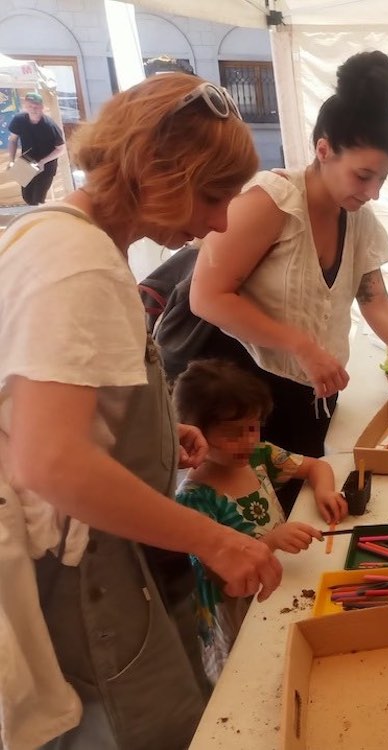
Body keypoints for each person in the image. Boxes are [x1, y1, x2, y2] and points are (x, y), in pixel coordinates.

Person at [0, 74, 282, 750]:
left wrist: (154, 432)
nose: (218, 222)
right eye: (212, 196)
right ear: (160, 170)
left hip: (113, 567)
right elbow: (48, 459)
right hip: (88, 584)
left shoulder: (60, 235)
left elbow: (64, 409)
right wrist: (214, 539)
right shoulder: (80, 262)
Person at [185, 50, 388, 513]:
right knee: (263, 523)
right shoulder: (270, 202)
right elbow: (207, 297)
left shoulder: (358, 219)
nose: (373, 191)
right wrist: (302, 345)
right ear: (323, 149)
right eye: (363, 175)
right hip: (247, 400)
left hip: (312, 395)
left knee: (311, 511)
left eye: (383, 178)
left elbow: (377, 304)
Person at [172, 359, 347, 682]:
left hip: (280, 590)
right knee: (253, 680)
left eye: (253, 427)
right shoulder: (192, 500)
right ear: (192, 432)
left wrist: (324, 491)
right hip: (240, 614)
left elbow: (316, 467)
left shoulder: (258, 457)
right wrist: (271, 541)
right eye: (232, 433)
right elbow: (221, 580)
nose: (248, 440)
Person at [7, 91, 66, 205]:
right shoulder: (19, 120)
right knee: (27, 197)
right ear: (25, 106)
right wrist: (11, 161)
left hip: (46, 166)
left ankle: (42, 220)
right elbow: (13, 140)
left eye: (36, 106)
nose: (33, 109)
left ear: (42, 107)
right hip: (26, 162)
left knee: (37, 201)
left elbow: (61, 149)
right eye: (30, 106)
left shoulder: (49, 125)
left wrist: (43, 161)